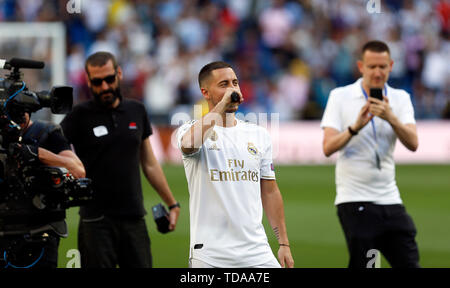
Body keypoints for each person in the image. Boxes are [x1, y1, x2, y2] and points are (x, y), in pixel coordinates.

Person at [60, 51, 180, 268]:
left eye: (109, 79)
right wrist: (68, 164)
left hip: (133, 217)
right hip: (95, 221)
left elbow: (150, 163)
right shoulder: (79, 115)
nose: (104, 87)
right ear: (88, 81)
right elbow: (54, 146)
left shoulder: (137, 110)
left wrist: (172, 203)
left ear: (119, 74)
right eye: (97, 82)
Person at [177, 61, 294, 268]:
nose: (232, 89)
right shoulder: (190, 129)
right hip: (211, 256)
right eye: (224, 84)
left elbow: (270, 192)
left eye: (235, 83)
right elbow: (188, 145)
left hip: (257, 252)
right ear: (205, 92)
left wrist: (283, 243)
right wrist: (222, 105)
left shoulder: (258, 135)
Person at [320, 40, 420, 268]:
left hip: (391, 198)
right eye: (372, 66)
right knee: (367, 266)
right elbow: (327, 148)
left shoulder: (399, 98)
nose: (377, 72)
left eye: (382, 67)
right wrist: (356, 127)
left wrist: (391, 117)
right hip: (355, 200)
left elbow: (413, 143)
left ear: (391, 66)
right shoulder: (340, 96)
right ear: (361, 66)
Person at [0, 111, 85, 268]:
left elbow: (78, 171)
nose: (16, 121)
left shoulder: (46, 134)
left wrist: (37, 154)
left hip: (40, 233)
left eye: (19, 111)